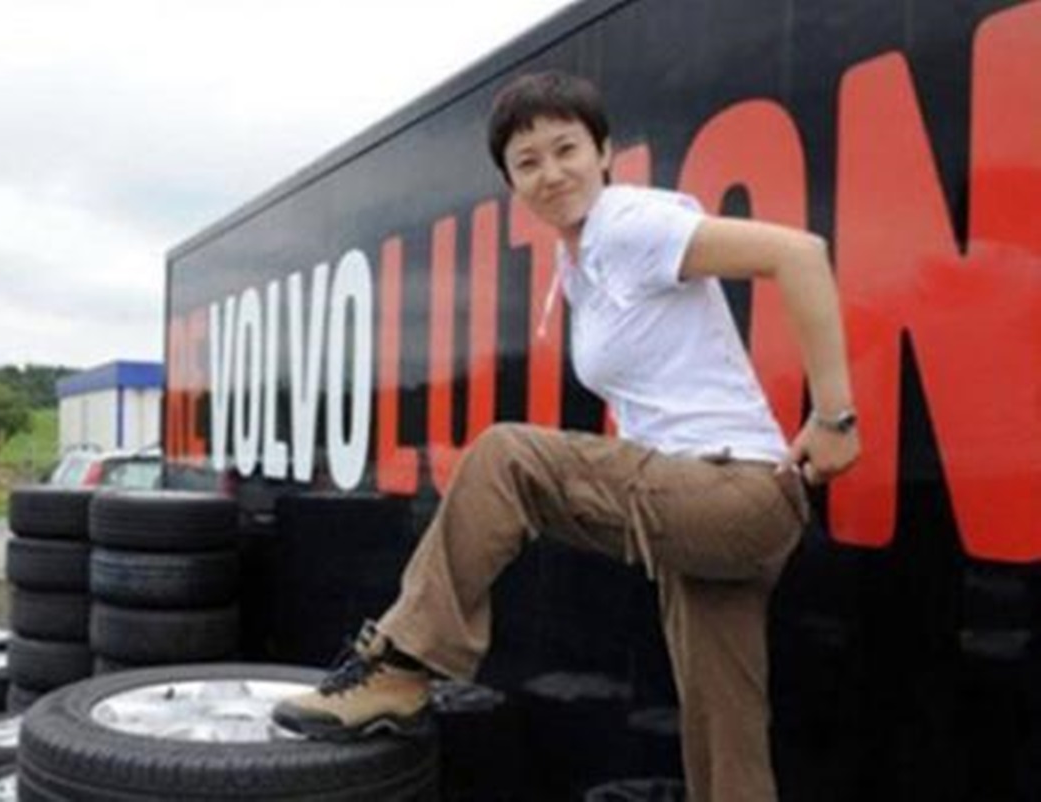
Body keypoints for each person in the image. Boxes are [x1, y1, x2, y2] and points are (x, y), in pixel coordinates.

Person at [273, 70, 861, 802]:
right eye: (528, 162)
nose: (550, 173)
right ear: (511, 184)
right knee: (724, 729)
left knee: (507, 457)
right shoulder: (578, 262)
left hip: (733, 490)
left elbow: (798, 254)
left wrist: (834, 416)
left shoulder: (629, 223)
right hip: (707, 502)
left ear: (604, 152)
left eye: (566, 149)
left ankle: (400, 665)